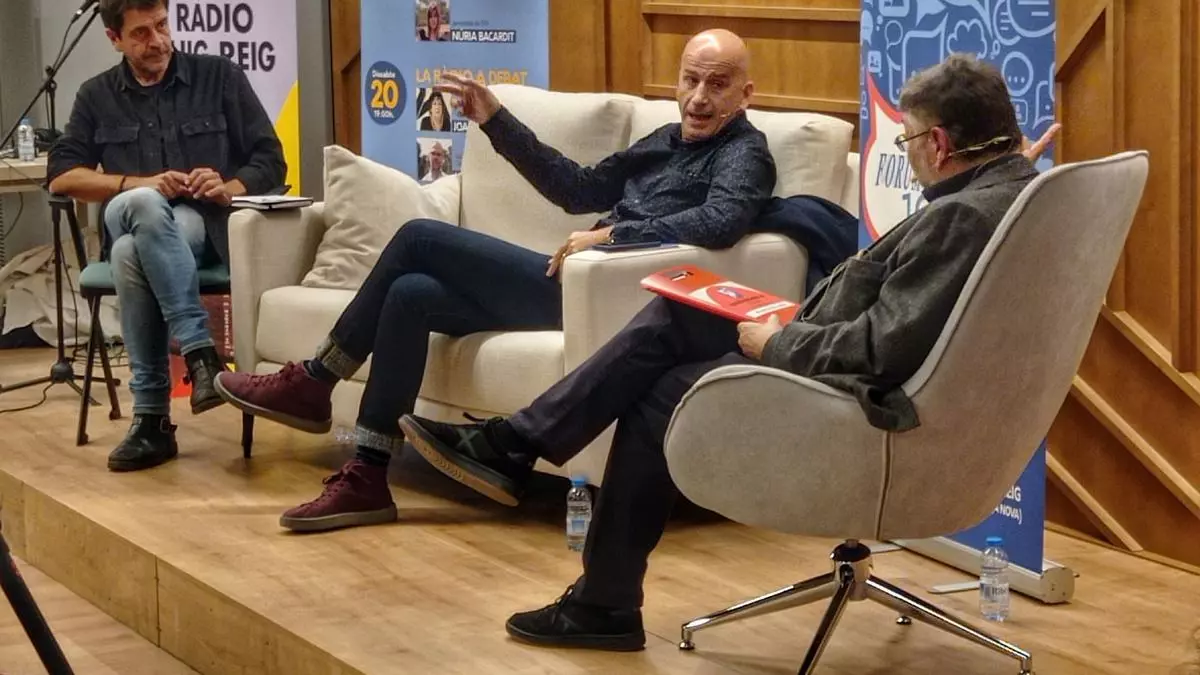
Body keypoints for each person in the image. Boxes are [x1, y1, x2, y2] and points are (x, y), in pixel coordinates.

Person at [396, 53, 1062, 651]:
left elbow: (878, 351)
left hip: (848, 393)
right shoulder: (1011, 194)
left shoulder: (961, 215)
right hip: (837, 350)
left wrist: (777, 339)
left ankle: (597, 589)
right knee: (681, 309)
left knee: (660, 391)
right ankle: (519, 449)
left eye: (910, 139)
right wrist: (1010, 168)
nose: (908, 153)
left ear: (940, 144)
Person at [214, 29, 777, 533]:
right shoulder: (665, 139)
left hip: (613, 299)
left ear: (745, 93)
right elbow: (577, 189)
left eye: (717, 85)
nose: (699, 98)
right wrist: (496, 120)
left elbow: (721, 221)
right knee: (410, 295)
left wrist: (613, 237)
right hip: (569, 281)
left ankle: (316, 379)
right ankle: (367, 473)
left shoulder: (744, 153)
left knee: (419, 237)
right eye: (690, 80)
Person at [47, 0, 286, 472]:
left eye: (161, 26)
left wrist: (228, 186)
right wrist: (139, 183)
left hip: (200, 226)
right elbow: (61, 176)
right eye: (140, 33)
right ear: (114, 39)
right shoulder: (96, 95)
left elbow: (270, 160)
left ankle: (151, 419)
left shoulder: (218, 76)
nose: (157, 41)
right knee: (143, 206)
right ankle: (201, 352)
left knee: (131, 253)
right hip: (128, 212)